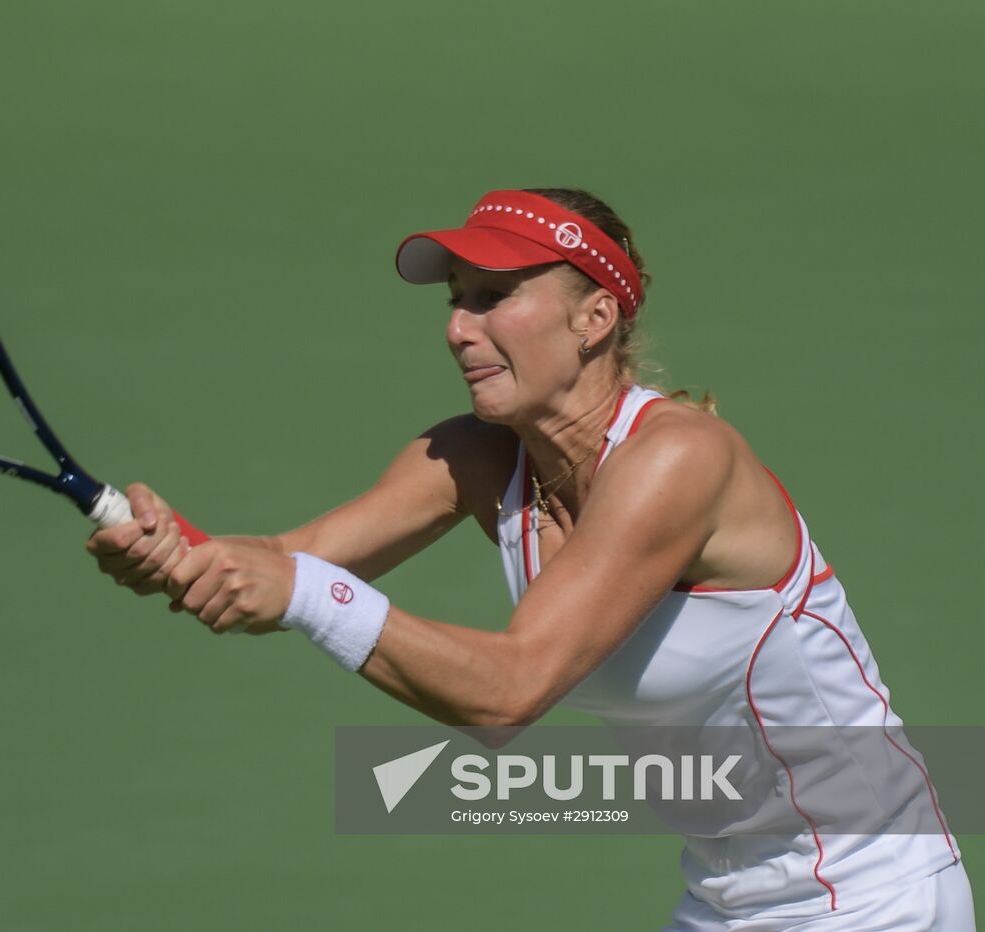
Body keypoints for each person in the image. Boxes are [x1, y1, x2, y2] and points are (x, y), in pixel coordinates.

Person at [86, 188, 975, 929]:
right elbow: (286, 560)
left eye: (493, 296)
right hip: (725, 898)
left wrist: (304, 591)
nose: (459, 329)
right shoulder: (476, 456)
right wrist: (178, 551)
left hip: (870, 895)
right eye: (455, 300)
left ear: (595, 317)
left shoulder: (680, 458)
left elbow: (508, 692)